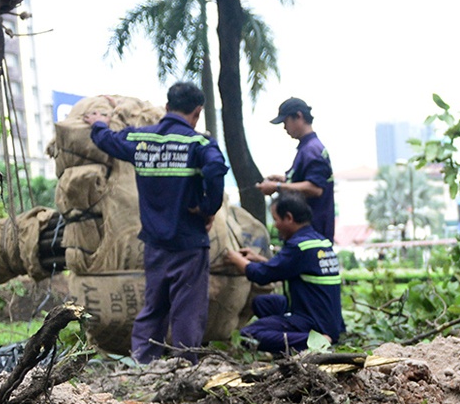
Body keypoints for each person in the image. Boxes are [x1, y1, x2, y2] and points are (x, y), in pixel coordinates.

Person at [83, 82, 228, 363]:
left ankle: (142, 364)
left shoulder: (141, 140)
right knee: (187, 310)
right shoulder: (199, 143)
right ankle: (184, 367)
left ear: (167, 107)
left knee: (154, 307)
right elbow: (215, 168)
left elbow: (108, 141)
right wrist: (208, 208)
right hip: (189, 244)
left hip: (155, 244)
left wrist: (99, 124)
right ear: (197, 112)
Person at [225, 191, 344, 353]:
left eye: (276, 219)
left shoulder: (298, 246)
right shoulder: (319, 241)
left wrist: (236, 259)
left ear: (289, 218)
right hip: (327, 318)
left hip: (313, 320)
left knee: (248, 335)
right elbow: (285, 267)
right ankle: (290, 338)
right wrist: (257, 259)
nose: (275, 225)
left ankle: (318, 341)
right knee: (262, 303)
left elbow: (261, 276)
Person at [258, 97, 336, 240]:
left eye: (285, 122)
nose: (284, 128)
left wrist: (277, 186)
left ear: (298, 116)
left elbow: (315, 188)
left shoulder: (312, 150)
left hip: (312, 233)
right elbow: (308, 180)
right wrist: (285, 180)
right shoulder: (308, 148)